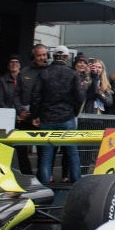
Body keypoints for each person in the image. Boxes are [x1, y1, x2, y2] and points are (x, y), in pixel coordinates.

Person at [30, 46, 85, 184]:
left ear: (53, 57)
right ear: (67, 58)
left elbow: (35, 96)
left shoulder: (44, 73)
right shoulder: (72, 74)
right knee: (72, 153)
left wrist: (36, 115)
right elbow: (79, 97)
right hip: (67, 118)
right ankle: (76, 185)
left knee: (46, 155)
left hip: (47, 118)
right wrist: (75, 112)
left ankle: (44, 185)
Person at [0, 55, 32, 174]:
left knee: (22, 149)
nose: (14, 64)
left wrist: (24, 113)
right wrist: (13, 115)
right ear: (8, 65)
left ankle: (26, 173)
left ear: (20, 65)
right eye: (11, 62)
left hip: (24, 119)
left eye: (16, 62)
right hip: (7, 119)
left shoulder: (26, 79)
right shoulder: (2, 80)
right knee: (4, 148)